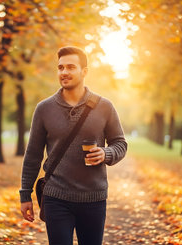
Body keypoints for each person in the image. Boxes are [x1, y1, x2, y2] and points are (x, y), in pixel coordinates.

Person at [19, 46, 127, 245]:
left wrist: (106, 153)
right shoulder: (44, 108)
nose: (64, 72)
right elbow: (33, 155)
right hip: (56, 198)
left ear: (84, 72)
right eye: (60, 68)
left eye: (70, 67)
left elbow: (120, 143)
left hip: (94, 198)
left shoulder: (104, 107)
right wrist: (25, 194)